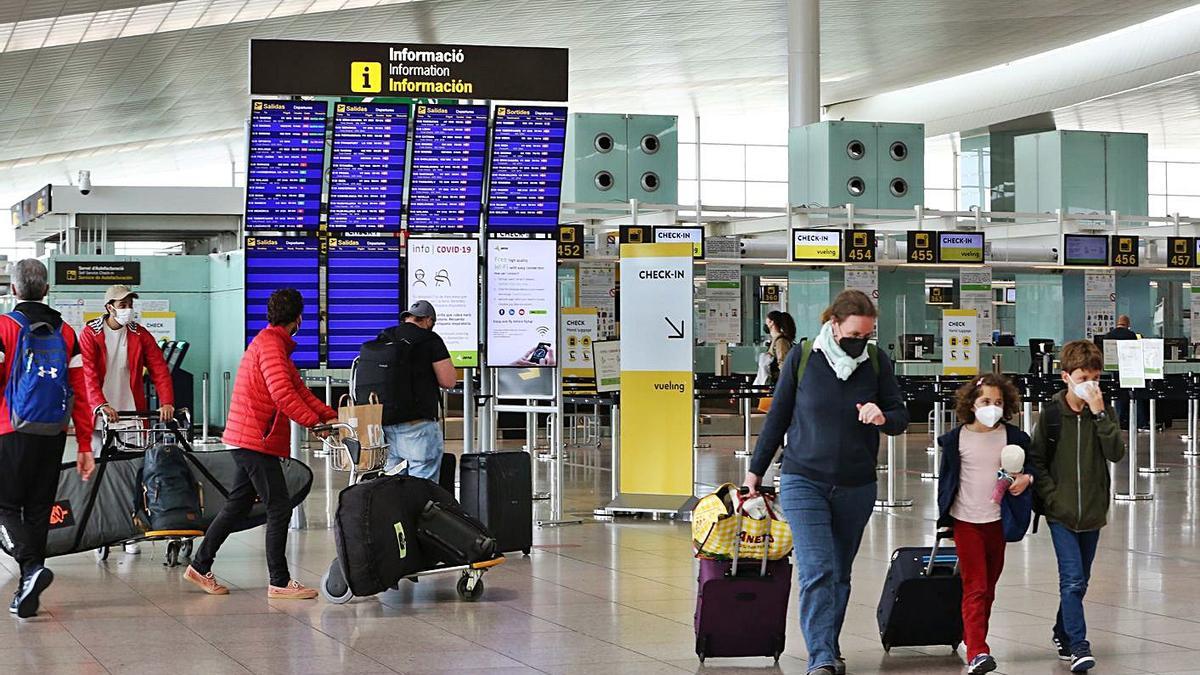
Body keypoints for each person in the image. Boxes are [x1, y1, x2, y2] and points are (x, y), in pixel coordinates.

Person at [745, 289, 909, 675]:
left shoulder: (878, 363)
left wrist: (882, 415)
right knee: (817, 568)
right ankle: (819, 656)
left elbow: (900, 416)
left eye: (866, 336)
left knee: (840, 572)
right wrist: (756, 471)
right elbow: (778, 417)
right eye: (853, 335)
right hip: (804, 479)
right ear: (833, 324)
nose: (860, 343)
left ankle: (828, 644)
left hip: (856, 484)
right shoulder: (803, 359)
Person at [184, 288, 337, 600]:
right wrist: (313, 424)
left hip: (248, 437)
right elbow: (283, 395)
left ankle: (200, 565)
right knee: (279, 507)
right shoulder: (271, 347)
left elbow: (298, 389)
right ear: (298, 319)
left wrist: (329, 416)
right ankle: (279, 581)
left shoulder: (273, 345)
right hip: (256, 440)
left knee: (237, 505)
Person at [0, 260, 93, 618]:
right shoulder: (67, 333)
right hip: (53, 433)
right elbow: (81, 390)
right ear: (47, 290)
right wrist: (85, 443)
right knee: (38, 510)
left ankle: (30, 566)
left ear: (13, 290)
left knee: (5, 507)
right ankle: (28, 587)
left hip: (10, 432)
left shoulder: (4, 327)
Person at [1029, 340, 1124, 673]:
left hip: (1093, 512)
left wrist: (1100, 415)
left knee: (1081, 580)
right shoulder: (1053, 415)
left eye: (1096, 377)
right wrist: (1052, 496)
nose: (1091, 384)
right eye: (1084, 377)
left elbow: (1116, 453)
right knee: (1071, 580)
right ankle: (1079, 645)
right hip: (1062, 513)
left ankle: (1061, 630)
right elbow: (1037, 459)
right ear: (1066, 376)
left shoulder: (1104, 411)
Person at [936, 374, 1034, 675]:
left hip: (998, 522)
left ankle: (972, 636)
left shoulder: (1015, 438)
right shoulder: (956, 440)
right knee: (975, 585)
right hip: (967, 521)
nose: (992, 407)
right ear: (972, 404)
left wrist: (1026, 479)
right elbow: (946, 481)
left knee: (988, 587)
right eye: (986, 402)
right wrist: (944, 520)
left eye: (998, 402)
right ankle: (978, 650)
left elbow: (1030, 468)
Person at [79, 284, 175, 555]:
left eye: (130, 303)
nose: (128, 309)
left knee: (134, 471)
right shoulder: (90, 333)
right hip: (101, 416)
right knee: (103, 473)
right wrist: (100, 403)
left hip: (132, 411)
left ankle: (131, 528)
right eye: (122, 305)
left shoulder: (139, 334)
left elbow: (158, 367)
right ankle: (103, 529)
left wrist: (166, 401)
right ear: (109, 307)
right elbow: (87, 373)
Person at [379, 300, 457, 479]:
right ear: (428, 320)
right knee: (422, 485)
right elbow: (448, 381)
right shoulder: (430, 339)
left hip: (386, 422)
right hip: (417, 424)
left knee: (393, 485)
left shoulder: (385, 336)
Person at [1099, 316, 1141, 429]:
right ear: (1127, 324)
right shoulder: (1131, 335)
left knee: (1116, 395)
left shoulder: (1108, 335)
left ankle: (1116, 420)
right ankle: (1137, 422)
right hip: (1129, 369)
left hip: (1113, 369)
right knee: (1132, 395)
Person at [765, 310, 797, 386]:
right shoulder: (776, 340)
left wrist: (785, 384)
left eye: (767, 319)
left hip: (778, 382)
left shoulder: (781, 341)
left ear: (771, 322)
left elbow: (783, 363)